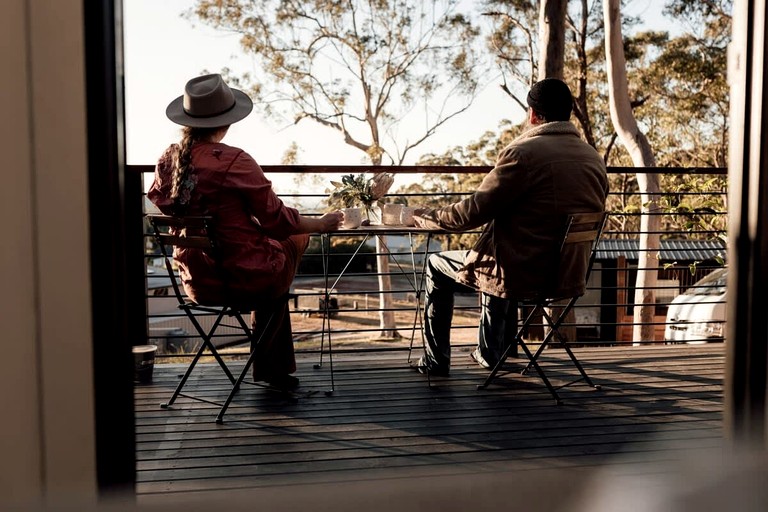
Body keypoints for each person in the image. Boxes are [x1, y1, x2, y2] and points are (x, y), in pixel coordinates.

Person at [148, 73, 343, 391]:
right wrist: (320, 224)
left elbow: (168, 204)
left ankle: (275, 367)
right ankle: (273, 368)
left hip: (197, 283)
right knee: (291, 244)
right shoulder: (233, 160)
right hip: (244, 280)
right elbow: (279, 220)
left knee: (271, 261)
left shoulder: (167, 160)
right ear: (226, 122)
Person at [411, 78, 609, 377]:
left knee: (437, 263)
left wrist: (421, 217)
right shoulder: (592, 157)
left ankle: (436, 361)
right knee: (504, 250)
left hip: (524, 271)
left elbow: (471, 214)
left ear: (533, 115)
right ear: (568, 112)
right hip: (567, 272)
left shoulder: (524, 153)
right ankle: (491, 351)